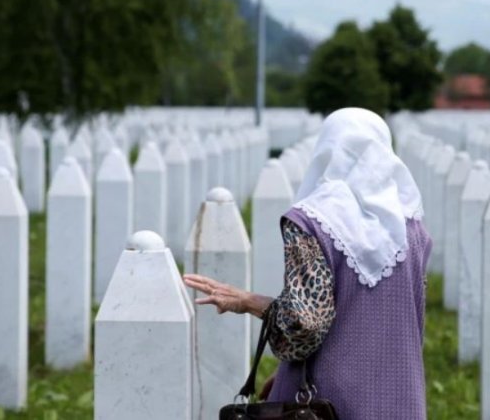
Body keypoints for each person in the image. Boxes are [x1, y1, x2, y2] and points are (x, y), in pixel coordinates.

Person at [184, 107, 431, 419]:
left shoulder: (314, 221)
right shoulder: (412, 227)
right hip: (399, 398)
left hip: (328, 404)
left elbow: (304, 323)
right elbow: (413, 322)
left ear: (327, 147)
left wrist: (247, 301)